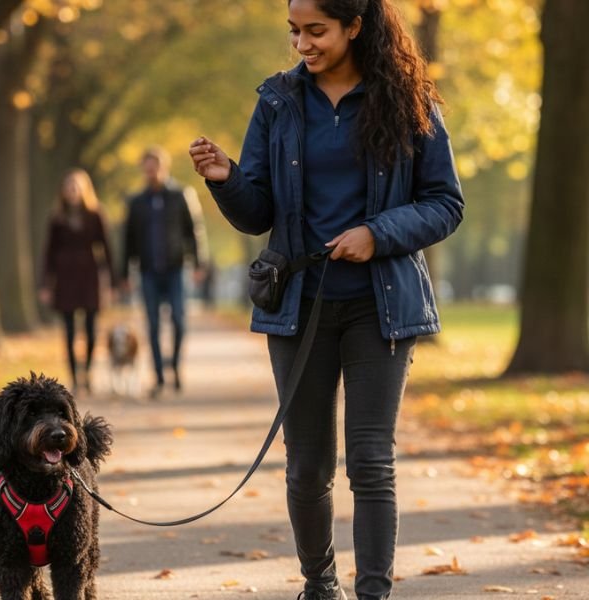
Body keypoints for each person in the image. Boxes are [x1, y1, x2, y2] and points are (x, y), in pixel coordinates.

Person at [189, 1, 464, 598]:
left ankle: (373, 593)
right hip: (298, 305)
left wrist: (378, 234)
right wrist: (225, 180)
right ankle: (320, 584)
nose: (302, 44)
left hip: (380, 305)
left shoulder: (410, 100)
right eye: (294, 31)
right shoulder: (278, 102)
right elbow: (257, 212)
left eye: (316, 31)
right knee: (307, 465)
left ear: (355, 26)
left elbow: (446, 202)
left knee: (370, 461)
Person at [121, 146, 208, 398]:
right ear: (143, 170)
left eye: (155, 167)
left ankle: (176, 368)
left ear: (163, 167)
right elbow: (128, 240)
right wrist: (124, 273)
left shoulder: (181, 195)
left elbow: (195, 230)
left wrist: (199, 262)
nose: (151, 172)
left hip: (176, 269)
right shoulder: (136, 202)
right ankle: (159, 376)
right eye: (147, 168)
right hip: (148, 271)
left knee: (179, 321)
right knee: (153, 325)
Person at [39, 168, 116, 393]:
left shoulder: (96, 215)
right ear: (63, 191)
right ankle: (74, 377)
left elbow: (106, 249)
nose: (72, 191)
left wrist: (111, 281)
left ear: (84, 189)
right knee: (70, 331)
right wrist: (45, 283)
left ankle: (88, 372)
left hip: (89, 276)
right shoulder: (57, 219)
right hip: (65, 279)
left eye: (76, 186)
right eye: (68, 187)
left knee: (91, 329)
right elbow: (49, 253)